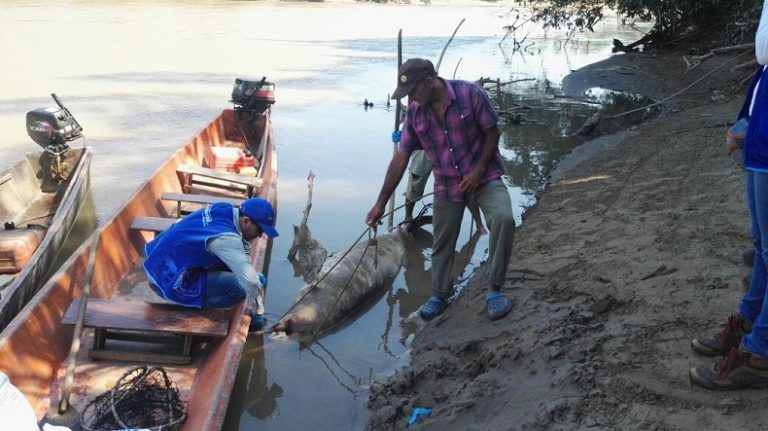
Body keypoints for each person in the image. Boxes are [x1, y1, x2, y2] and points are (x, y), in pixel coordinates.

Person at [366, 58, 516, 321]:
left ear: (429, 81)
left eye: (412, 92)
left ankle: (494, 289)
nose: (409, 98)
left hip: (484, 175)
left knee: (503, 219)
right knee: (442, 242)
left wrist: (478, 170)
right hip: (446, 183)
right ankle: (439, 295)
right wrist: (380, 203)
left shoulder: (471, 93)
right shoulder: (414, 114)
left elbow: (493, 132)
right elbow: (401, 159)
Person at [689, 3, 768, 389]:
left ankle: (760, 353)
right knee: (761, 245)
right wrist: (747, 127)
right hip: (759, 150)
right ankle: (750, 321)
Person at [143, 197, 279, 332]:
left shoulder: (224, 208)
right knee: (241, 289)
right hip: (168, 280)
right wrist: (258, 315)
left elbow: (243, 256)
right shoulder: (226, 239)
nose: (260, 236)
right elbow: (250, 281)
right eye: (259, 230)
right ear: (246, 221)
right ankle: (196, 307)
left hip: (157, 263)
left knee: (252, 279)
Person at [403, 149, 487, 235]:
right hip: (423, 143)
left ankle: (479, 224)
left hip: (450, 144)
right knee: (416, 178)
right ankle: (408, 217)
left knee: (463, 182)